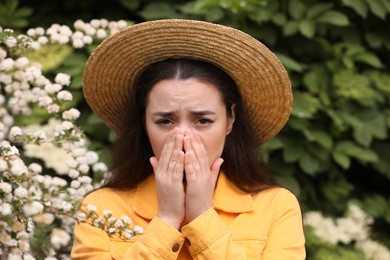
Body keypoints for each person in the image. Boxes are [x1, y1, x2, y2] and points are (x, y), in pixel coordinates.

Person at [71, 19, 305, 259]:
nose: (182, 136)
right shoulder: (101, 208)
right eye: (165, 121)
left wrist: (202, 217)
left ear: (230, 120)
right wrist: (167, 220)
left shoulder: (276, 206)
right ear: (144, 124)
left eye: (202, 121)